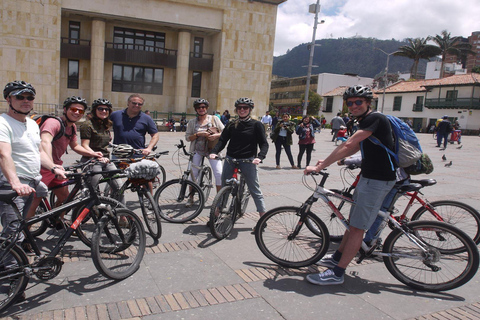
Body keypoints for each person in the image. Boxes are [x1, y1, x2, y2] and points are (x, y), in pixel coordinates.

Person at [304, 85, 396, 285]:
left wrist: (321, 166)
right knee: (353, 223)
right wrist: (326, 162)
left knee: (357, 228)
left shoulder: (375, 118)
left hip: (377, 181)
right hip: (369, 177)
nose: (354, 106)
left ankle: (337, 273)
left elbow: (348, 144)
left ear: (368, 103)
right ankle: (336, 258)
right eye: (350, 102)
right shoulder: (364, 120)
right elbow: (354, 147)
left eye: (358, 102)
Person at [26, 96, 104, 226]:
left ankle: (58, 219)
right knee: (34, 202)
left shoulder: (72, 126)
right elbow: (45, 141)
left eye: (81, 111)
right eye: (74, 109)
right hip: (42, 166)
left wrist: (92, 154)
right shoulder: (53, 123)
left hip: (56, 167)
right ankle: (25, 237)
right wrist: (52, 166)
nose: (77, 113)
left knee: (65, 197)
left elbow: (75, 146)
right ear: (65, 109)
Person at [0, 81, 50, 262]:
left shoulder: (32, 123)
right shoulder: (3, 123)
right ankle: (12, 274)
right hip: (13, 183)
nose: (25, 100)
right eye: (19, 97)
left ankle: (26, 234)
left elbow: (38, 152)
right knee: (13, 233)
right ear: (8, 99)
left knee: (25, 222)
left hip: (34, 181)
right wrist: (15, 183)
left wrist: (54, 167)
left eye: (29, 97)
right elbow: (4, 155)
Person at [209, 97, 269, 223]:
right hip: (231, 159)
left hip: (248, 160)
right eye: (239, 108)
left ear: (250, 109)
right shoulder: (232, 124)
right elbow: (222, 140)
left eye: (245, 108)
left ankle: (263, 220)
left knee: (254, 189)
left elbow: (264, 144)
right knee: (225, 186)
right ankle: (216, 213)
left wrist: (260, 157)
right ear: (236, 110)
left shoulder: (256, 124)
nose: (242, 110)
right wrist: (214, 152)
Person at [79, 98, 123, 203]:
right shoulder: (87, 125)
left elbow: (106, 143)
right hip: (92, 160)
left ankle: (123, 216)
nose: (104, 111)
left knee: (119, 188)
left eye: (106, 109)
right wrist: (97, 156)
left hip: (106, 160)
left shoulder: (105, 125)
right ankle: (86, 212)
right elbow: (84, 145)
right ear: (94, 110)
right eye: (100, 109)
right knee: (92, 191)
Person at [186, 98, 224, 196]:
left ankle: (219, 200)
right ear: (196, 109)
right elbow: (188, 138)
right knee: (193, 174)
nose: (201, 109)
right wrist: (198, 134)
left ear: (206, 108)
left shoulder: (214, 119)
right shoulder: (192, 122)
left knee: (219, 173)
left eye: (203, 107)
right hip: (197, 150)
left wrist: (216, 136)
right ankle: (191, 197)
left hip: (213, 150)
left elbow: (225, 132)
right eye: (198, 107)